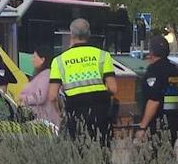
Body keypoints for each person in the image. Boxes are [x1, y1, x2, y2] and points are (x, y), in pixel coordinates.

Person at [47, 18, 117, 146]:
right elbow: (113, 89)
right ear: (89, 34)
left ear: (71, 34)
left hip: (75, 115)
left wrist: (61, 113)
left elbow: (52, 96)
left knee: (79, 153)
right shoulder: (103, 55)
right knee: (102, 152)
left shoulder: (59, 61)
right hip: (100, 115)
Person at [137, 35, 178, 147]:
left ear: (151, 52)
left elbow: (154, 101)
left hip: (157, 123)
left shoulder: (154, 71)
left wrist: (143, 127)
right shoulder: (175, 70)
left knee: (147, 159)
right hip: (174, 122)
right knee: (168, 156)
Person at [18, 45, 60, 127]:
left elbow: (40, 97)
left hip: (45, 120)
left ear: (42, 60)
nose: (32, 60)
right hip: (41, 120)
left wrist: (23, 98)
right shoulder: (41, 75)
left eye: (34, 57)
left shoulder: (45, 75)